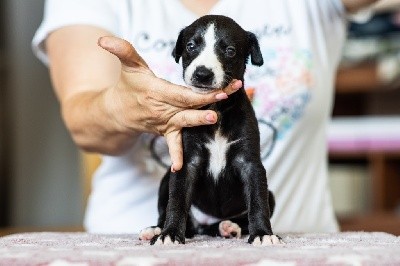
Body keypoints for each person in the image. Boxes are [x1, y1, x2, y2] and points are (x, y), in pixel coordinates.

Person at [32, 0, 394, 234]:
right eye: (192, 49)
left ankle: (252, 226)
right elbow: (84, 124)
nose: (205, 66)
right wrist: (124, 108)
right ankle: (172, 226)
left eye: (228, 51)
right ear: (181, 50)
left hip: (298, 247)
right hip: (130, 244)